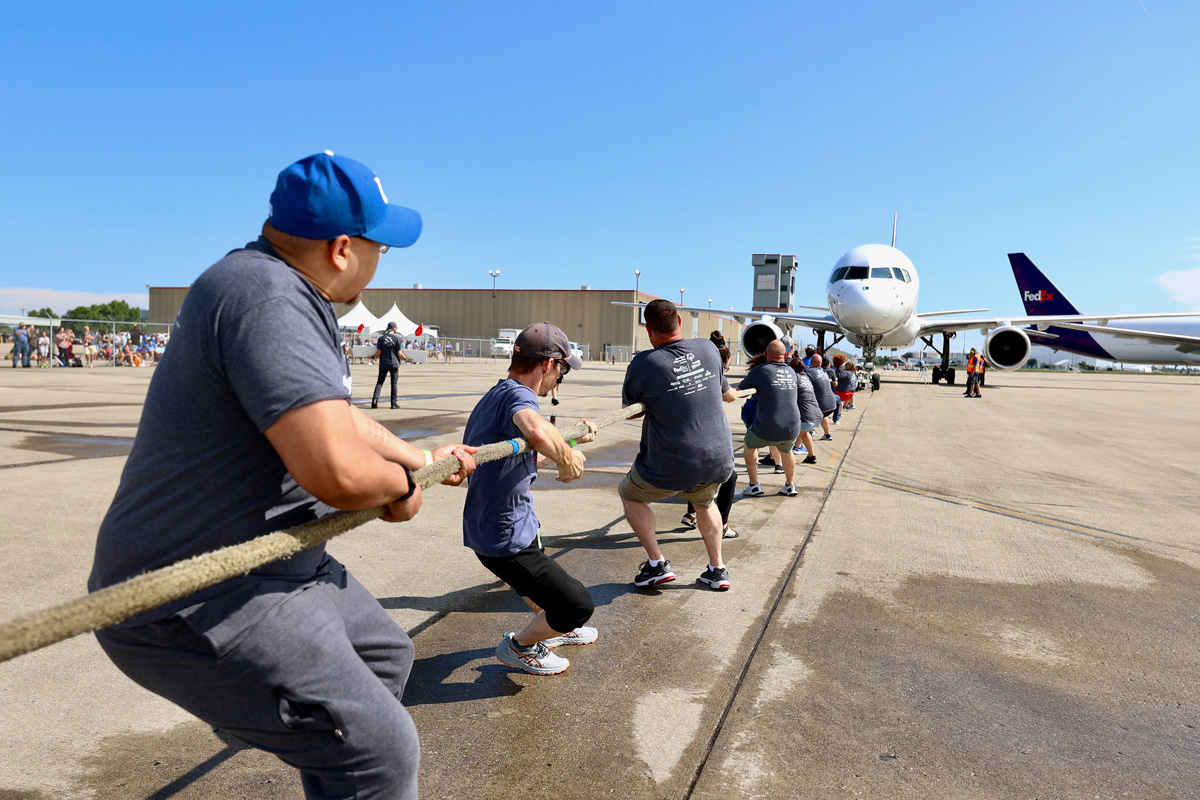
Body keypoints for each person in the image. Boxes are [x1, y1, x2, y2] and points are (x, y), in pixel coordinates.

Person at [87, 151, 478, 800]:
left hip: (271, 569)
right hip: (194, 592)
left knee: (385, 656)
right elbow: (336, 471)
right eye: (381, 247)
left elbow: (338, 422)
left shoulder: (274, 287)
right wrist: (397, 489)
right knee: (379, 750)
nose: (383, 264)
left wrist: (416, 459)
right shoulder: (268, 298)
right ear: (344, 248)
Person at [462, 322, 599, 676]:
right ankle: (519, 647)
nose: (560, 378)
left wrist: (571, 443)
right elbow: (536, 430)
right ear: (549, 365)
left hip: (501, 527)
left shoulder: (496, 394)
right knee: (576, 604)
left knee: (543, 589)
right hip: (504, 539)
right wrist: (567, 460)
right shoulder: (519, 395)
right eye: (563, 370)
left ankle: (555, 627)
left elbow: (522, 453)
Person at [620, 299, 738, 591]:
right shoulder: (708, 349)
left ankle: (657, 564)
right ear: (680, 322)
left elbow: (631, 410)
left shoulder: (644, 362)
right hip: (719, 460)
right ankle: (717, 569)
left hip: (674, 462)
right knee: (704, 501)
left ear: (649, 331)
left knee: (630, 493)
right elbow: (725, 392)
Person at [682, 345, 740, 538]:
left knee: (695, 474)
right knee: (728, 476)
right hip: (705, 439)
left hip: (684, 439)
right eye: (727, 368)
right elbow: (731, 396)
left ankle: (691, 513)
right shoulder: (715, 374)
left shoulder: (691, 371)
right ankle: (722, 525)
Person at [739, 340, 801, 498]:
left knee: (749, 444)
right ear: (785, 355)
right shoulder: (792, 371)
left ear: (766, 355)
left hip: (768, 425)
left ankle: (754, 485)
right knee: (787, 450)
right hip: (792, 426)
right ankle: (789, 485)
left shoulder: (760, 370)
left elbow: (740, 389)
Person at [791, 359, 823, 465]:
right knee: (804, 433)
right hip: (816, 415)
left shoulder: (794, 378)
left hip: (805, 418)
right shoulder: (806, 377)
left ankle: (779, 459)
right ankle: (811, 455)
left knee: (786, 432)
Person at [805, 353, 838, 441]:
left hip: (822, 406)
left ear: (811, 362)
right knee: (823, 415)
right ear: (821, 363)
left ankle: (799, 445)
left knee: (803, 417)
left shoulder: (808, 372)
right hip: (831, 404)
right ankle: (827, 435)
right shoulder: (824, 371)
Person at [372, 321, 403, 409]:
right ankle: (393, 403)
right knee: (394, 384)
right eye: (396, 328)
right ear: (394, 328)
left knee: (379, 382)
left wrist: (372, 357)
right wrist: (407, 359)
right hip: (394, 364)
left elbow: (379, 352)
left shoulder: (381, 339)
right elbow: (399, 353)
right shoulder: (398, 339)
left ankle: (374, 401)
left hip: (383, 363)